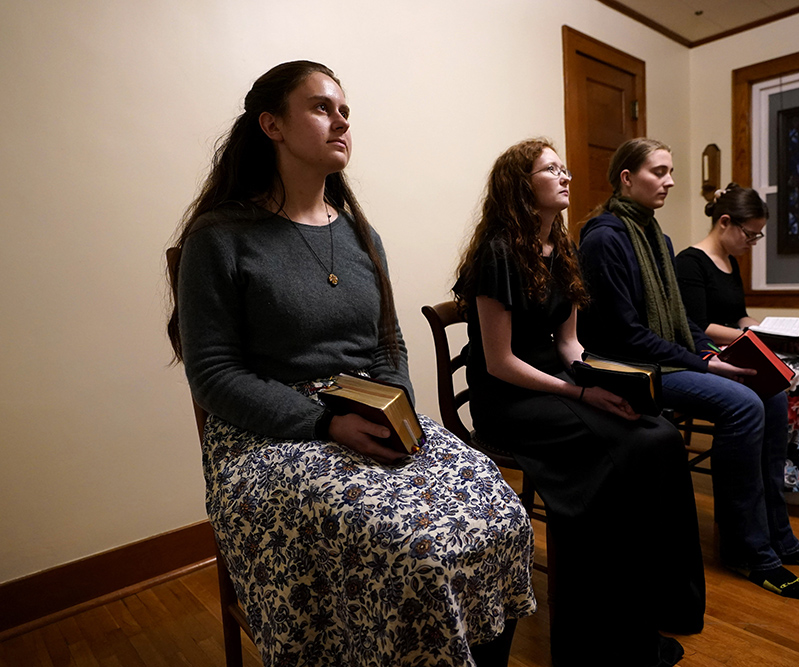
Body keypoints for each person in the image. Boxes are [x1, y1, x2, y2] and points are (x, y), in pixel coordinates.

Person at [165, 61, 535, 667]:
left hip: (365, 410)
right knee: (410, 549)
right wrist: (324, 423)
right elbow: (213, 375)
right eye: (320, 107)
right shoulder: (219, 236)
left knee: (502, 514)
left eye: (345, 111)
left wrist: (396, 409)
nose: (340, 120)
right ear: (271, 125)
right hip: (267, 436)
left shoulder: (363, 234)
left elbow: (389, 345)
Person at [455, 139, 702, 667]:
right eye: (551, 169)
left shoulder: (561, 247)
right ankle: (600, 642)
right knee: (625, 452)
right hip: (509, 398)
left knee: (656, 431)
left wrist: (614, 381)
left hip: (554, 382)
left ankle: (657, 608)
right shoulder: (497, 251)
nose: (565, 176)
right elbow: (498, 362)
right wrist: (581, 392)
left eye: (563, 168)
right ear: (522, 186)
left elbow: (569, 346)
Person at [577, 138, 799, 601]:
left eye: (671, 171)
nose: (671, 181)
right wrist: (702, 361)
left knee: (771, 389)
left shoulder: (658, 236)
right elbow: (625, 335)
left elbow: (682, 321)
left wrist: (709, 353)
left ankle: (780, 535)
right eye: (659, 171)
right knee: (741, 404)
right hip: (629, 367)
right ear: (626, 178)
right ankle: (747, 549)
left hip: (664, 355)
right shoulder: (604, 238)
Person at [675, 184, 799, 504]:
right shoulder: (690, 262)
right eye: (750, 234)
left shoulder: (730, 261)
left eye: (758, 235)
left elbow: (738, 315)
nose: (753, 242)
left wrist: (770, 330)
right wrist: (757, 338)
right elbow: (697, 326)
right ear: (724, 221)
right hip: (713, 349)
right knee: (794, 374)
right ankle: (785, 473)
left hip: (741, 340)